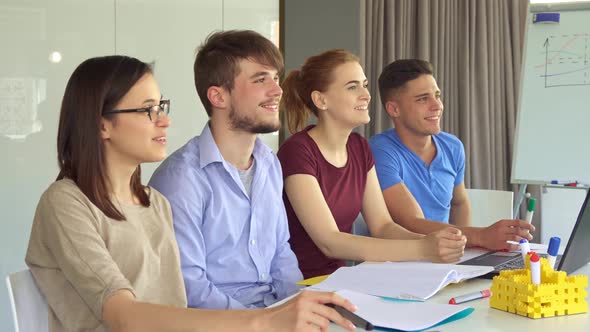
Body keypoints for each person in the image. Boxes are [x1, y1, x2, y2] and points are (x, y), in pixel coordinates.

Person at [25, 55, 357, 332]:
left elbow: (176, 303)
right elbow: (123, 315)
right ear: (101, 125)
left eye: (161, 106)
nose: (164, 121)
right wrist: (263, 321)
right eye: (147, 110)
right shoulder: (66, 202)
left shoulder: (152, 201)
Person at [277, 49, 467, 279]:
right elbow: (330, 241)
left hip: (339, 278)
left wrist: (434, 243)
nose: (366, 95)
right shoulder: (297, 151)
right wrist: (422, 248)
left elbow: (383, 226)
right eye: (352, 86)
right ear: (321, 100)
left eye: (364, 85)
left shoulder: (359, 147)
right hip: (297, 284)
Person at [149, 30, 303, 309]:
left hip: (274, 316)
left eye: (276, 78)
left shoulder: (270, 162)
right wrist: (266, 324)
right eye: (260, 79)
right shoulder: (181, 178)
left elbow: (281, 254)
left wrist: (299, 309)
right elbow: (190, 288)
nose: (277, 90)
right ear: (218, 97)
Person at [369, 59, 535, 251]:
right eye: (423, 99)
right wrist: (480, 236)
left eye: (437, 95)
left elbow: (460, 202)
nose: (437, 105)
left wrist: (465, 250)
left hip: (442, 257)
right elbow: (411, 222)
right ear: (394, 109)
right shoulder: (379, 150)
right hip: (399, 261)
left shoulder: (452, 146)